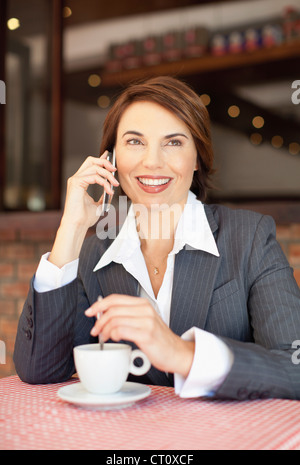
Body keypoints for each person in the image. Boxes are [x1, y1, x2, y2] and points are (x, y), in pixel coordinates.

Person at [14, 76, 300, 400]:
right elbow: (40, 368)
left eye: (174, 142)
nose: (152, 161)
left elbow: (295, 367)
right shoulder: (94, 253)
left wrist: (182, 353)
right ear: (112, 160)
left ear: (197, 159)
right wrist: (72, 227)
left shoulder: (250, 239)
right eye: (135, 142)